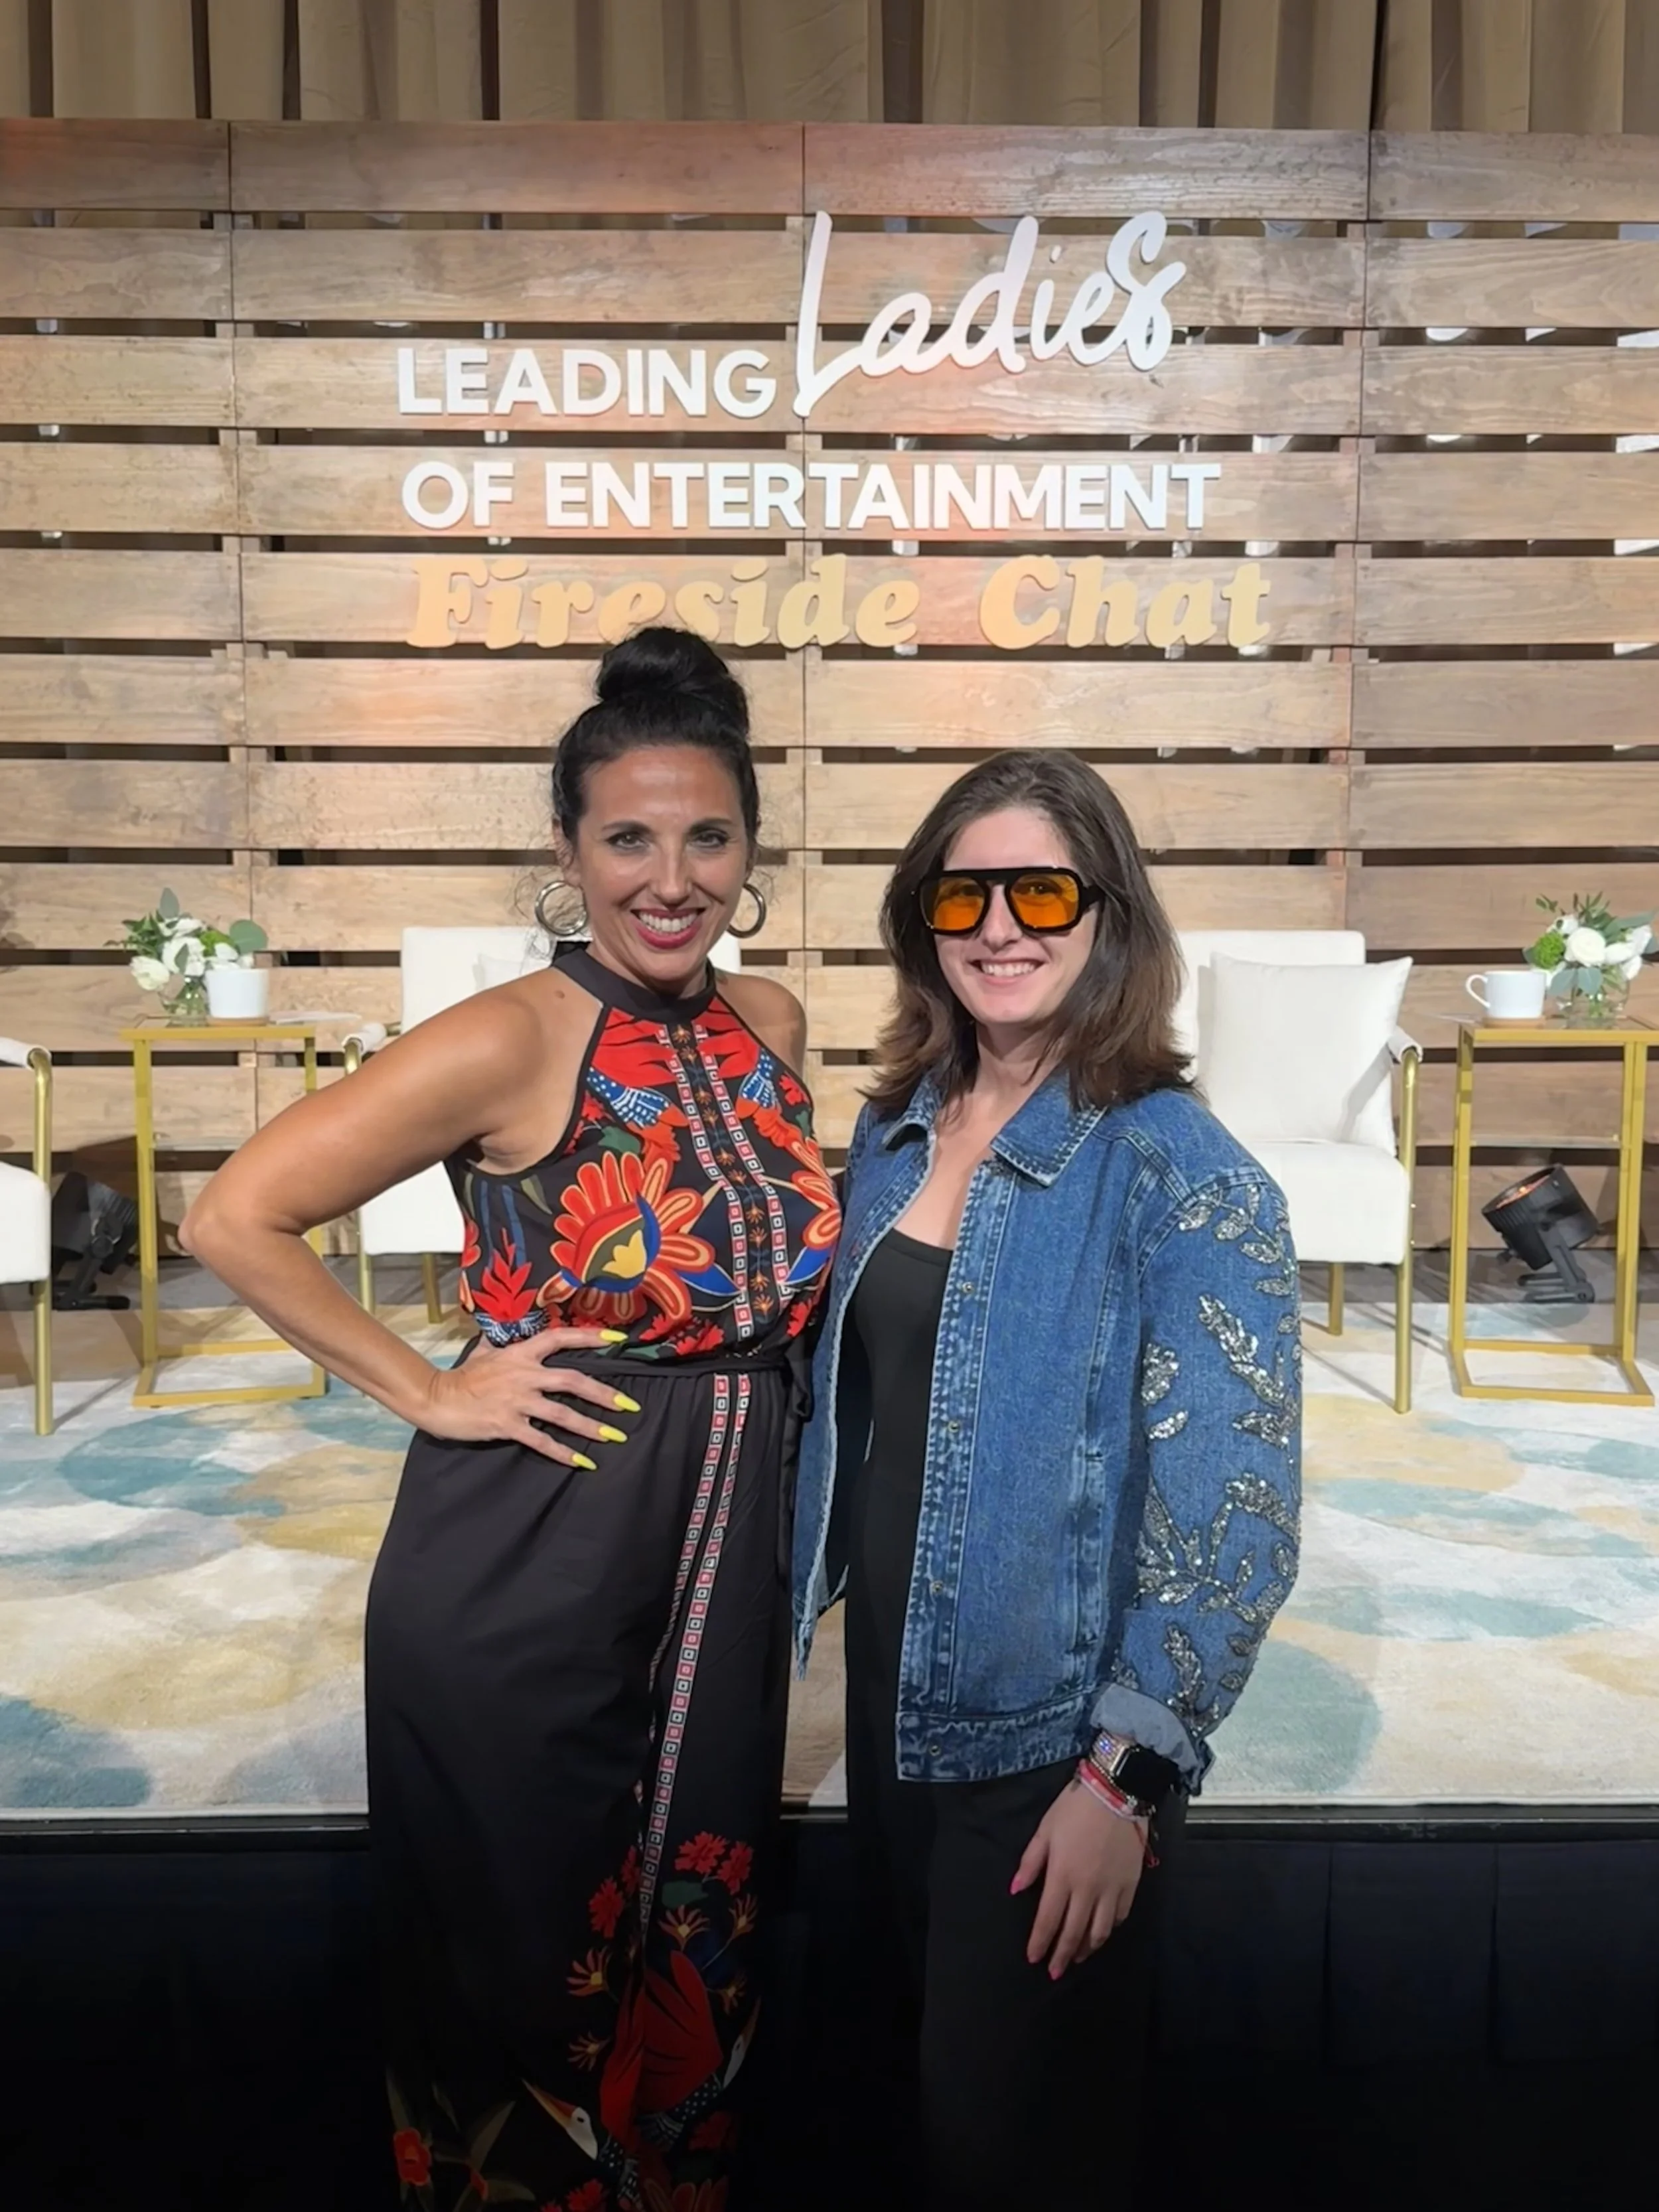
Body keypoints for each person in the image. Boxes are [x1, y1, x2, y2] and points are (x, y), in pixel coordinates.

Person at [182, 628, 839, 2212]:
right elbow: (236, 1217)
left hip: (718, 1571)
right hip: (534, 1556)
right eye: (626, 837)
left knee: (696, 1940)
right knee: (520, 1965)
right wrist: (428, 1384)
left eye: (705, 837)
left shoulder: (774, 1019)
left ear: (751, 851)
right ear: (567, 851)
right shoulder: (508, 1035)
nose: (666, 877)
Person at [792, 749, 1302, 2208]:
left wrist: (1123, 1777)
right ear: (922, 918)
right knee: (907, 2102)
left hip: (1046, 1747)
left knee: (1006, 2146)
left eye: (1040, 888)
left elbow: (1234, 1523)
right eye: (963, 890)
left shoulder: (1182, 1179)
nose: (998, 925)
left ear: (1108, 918)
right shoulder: (892, 1135)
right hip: (893, 1705)